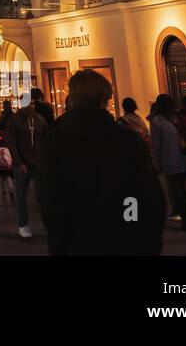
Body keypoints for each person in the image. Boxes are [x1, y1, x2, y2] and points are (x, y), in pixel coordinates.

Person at [36, 69, 166, 255]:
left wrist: (60, 239)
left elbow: (49, 200)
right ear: (105, 99)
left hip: (75, 244)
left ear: (72, 98)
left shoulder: (54, 143)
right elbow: (147, 197)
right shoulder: (127, 141)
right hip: (125, 240)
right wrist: (139, 233)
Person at [150, 94, 186, 231]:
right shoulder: (180, 117)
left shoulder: (157, 121)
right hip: (185, 158)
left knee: (176, 191)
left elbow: (156, 144)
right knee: (183, 189)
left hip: (170, 159)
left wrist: (155, 161)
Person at [5, 94, 50, 238]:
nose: (31, 106)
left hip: (37, 163)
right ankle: (23, 224)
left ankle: (48, 223)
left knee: (43, 194)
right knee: (21, 195)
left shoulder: (40, 120)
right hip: (22, 164)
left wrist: (44, 160)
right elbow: (11, 142)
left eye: (32, 103)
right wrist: (19, 162)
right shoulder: (14, 119)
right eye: (28, 103)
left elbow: (45, 140)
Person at [0, 130, 14, 199]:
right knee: (8, 177)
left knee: (2, 178)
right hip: (8, 164)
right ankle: (11, 190)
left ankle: (3, 191)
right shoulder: (8, 143)